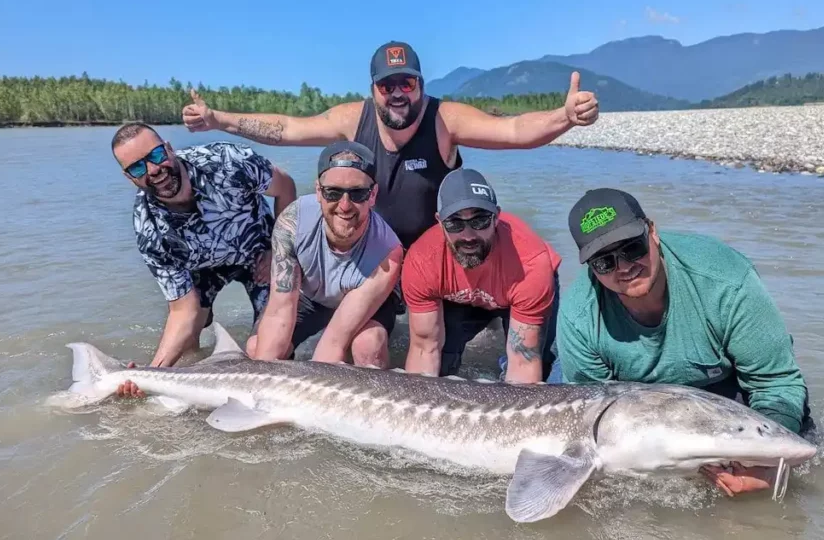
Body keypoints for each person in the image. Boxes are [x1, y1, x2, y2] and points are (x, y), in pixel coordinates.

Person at [181, 40, 599, 251]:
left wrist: (564, 117)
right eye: (387, 85)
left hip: (441, 250)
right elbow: (287, 128)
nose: (397, 93)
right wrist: (220, 120)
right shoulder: (352, 118)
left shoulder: (444, 119)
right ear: (374, 90)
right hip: (375, 251)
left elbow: (512, 133)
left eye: (407, 82)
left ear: (420, 84)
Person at [552, 187, 813, 497]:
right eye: (604, 262)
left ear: (652, 232)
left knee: (801, 463)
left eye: (632, 248)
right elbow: (587, 415)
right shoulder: (578, 315)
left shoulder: (726, 281)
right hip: (634, 410)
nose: (623, 267)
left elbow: (776, 384)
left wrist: (765, 466)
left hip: (729, 394)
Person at [110, 123, 297, 396]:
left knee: (266, 352)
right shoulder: (148, 228)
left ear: (169, 149)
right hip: (202, 270)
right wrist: (151, 374)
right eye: (138, 168)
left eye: (156, 156)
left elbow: (286, 187)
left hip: (259, 252)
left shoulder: (228, 162)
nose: (153, 170)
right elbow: (183, 310)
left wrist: (277, 251)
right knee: (186, 352)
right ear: (129, 178)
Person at [247, 141, 404, 367]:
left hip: (361, 303)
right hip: (310, 295)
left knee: (368, 344)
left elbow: (332, 344)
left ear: (373, 195)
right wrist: (263, 379)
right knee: (257, 349)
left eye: (358, 193)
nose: (344, 205)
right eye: (333, 192)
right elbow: (279, 312)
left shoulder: (388, 252)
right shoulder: (292, 223)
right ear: (319, 192)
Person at [400, 168, 562, 383]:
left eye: (480, 221)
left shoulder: (531, 263)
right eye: (455, 223)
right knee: (441, 365)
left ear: (496, 217)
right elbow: (424, 349)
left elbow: (523, 363)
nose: (468, 236)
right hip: (461, 294)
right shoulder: (422, 260)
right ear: (440, 222)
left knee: (541, 362)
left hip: (517, 287)